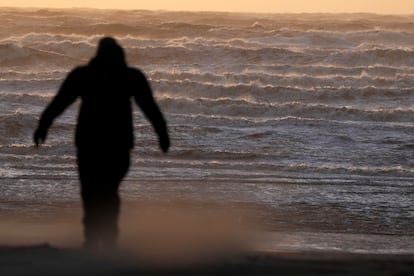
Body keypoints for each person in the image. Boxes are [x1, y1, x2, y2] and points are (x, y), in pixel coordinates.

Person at [33, 37, 170, 250]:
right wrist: (162, 134)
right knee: (103, 191)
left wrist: (44, 125)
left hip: (98, 145)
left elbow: (60, 102)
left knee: (95, 191)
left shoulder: (88, 75)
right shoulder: (127, 76)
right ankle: (101, 238)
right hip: (107, 145)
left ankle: (98, 237)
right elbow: (150, 108)